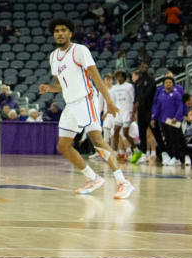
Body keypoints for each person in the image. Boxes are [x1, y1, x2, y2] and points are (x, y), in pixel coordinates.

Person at [39, 18, 133, 199]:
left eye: (63, 30)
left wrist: (109, 101)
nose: (59, 33)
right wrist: (50, 88)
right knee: (63, 146)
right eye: (57, 30)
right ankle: (93, 178)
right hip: (71, 104)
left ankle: (123, 182)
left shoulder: (80, 50)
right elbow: (61, 85)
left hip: (86, 100)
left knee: (97, 140)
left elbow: (96, 77)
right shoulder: (53, 57)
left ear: (70, 33)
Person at [108, 71, 135, 161]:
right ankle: (115, 152)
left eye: (120, 76)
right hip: (119, 112)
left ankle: (134, 150)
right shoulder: (114, 88)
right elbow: (113, 101)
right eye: (117, 77)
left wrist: (133, 113)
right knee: (116, 131)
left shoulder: (129, 86)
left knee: (125, 133)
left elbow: (133, 100)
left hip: (127, 111)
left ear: (124, 77)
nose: (119, 78)